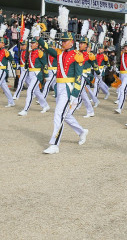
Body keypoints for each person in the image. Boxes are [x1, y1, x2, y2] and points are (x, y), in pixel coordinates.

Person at [36, 24, 88, 155]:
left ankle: (54, 144)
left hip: (68, 88)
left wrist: (75, 94)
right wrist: (38, 38)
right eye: (62, 41)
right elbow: (47, 48)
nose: (63, 43)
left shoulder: (77, 55)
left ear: (71, 42)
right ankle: (81, 131)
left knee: (58, 114)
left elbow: (78, 76)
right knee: (66, 115)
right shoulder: (59, 53)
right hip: (59, 87)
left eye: (65, 41)